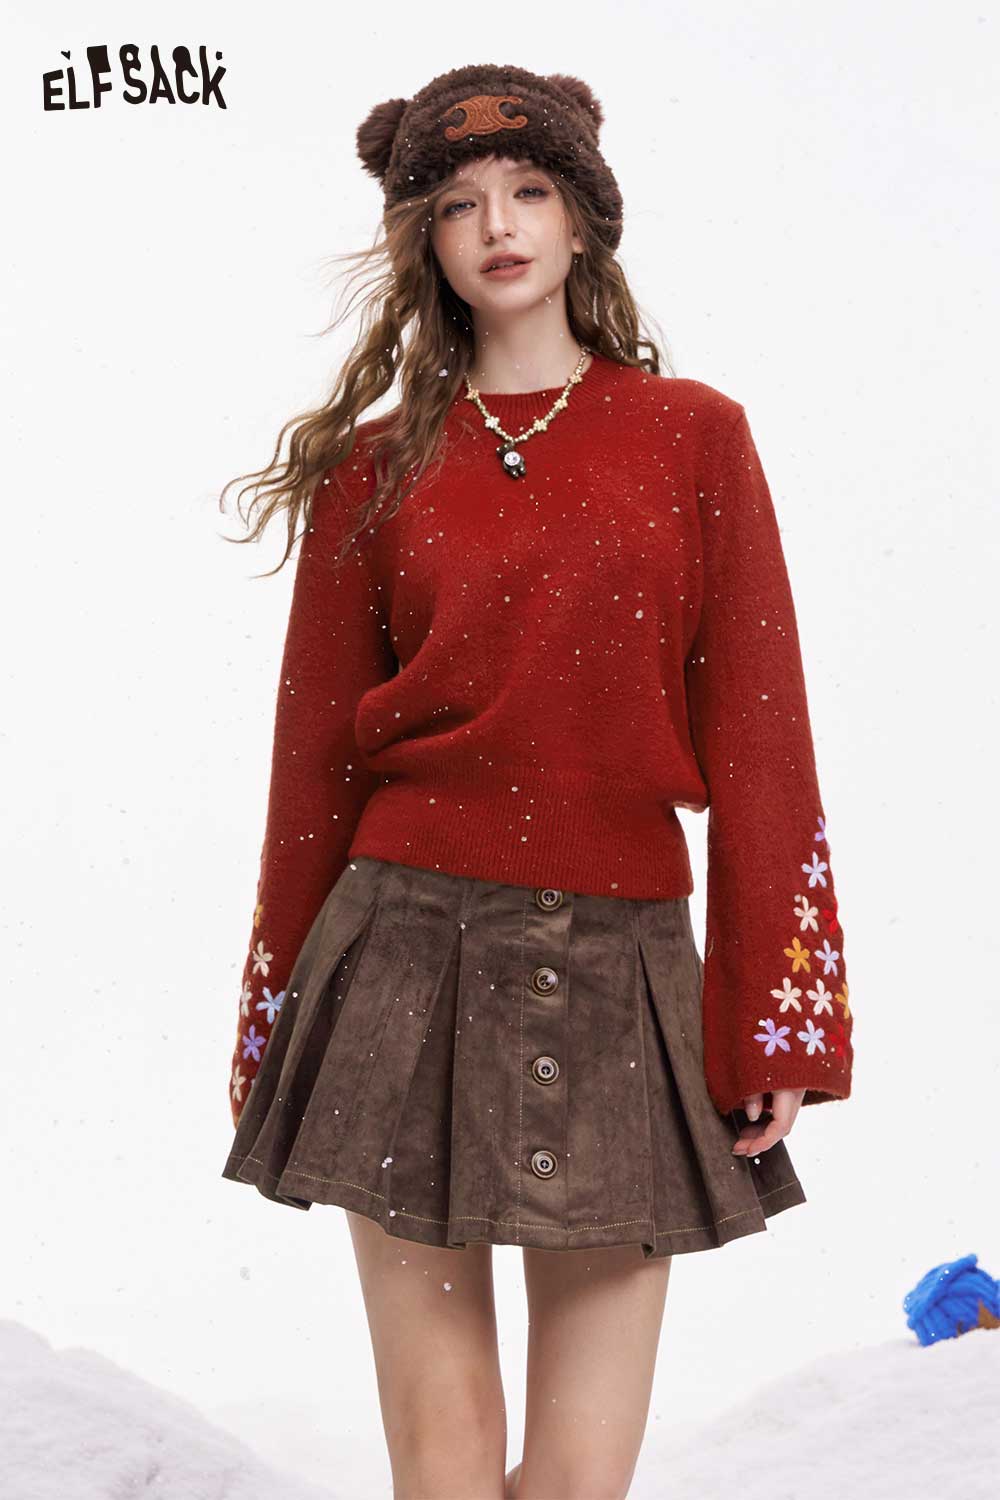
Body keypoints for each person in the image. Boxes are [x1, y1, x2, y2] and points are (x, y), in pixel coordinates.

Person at [219, 63, 854, 1500]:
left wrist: (774, 1016)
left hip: (623, 966)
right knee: (443, 1475)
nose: (498, 226)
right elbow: (311, 772)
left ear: (581, 217)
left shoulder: (693, 436)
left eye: (528, 190)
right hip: (398, 965)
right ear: (426, 244)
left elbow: (764, 737)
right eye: (458, 205)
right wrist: (274, 1022)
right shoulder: (370, 472)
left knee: (575, 1481)